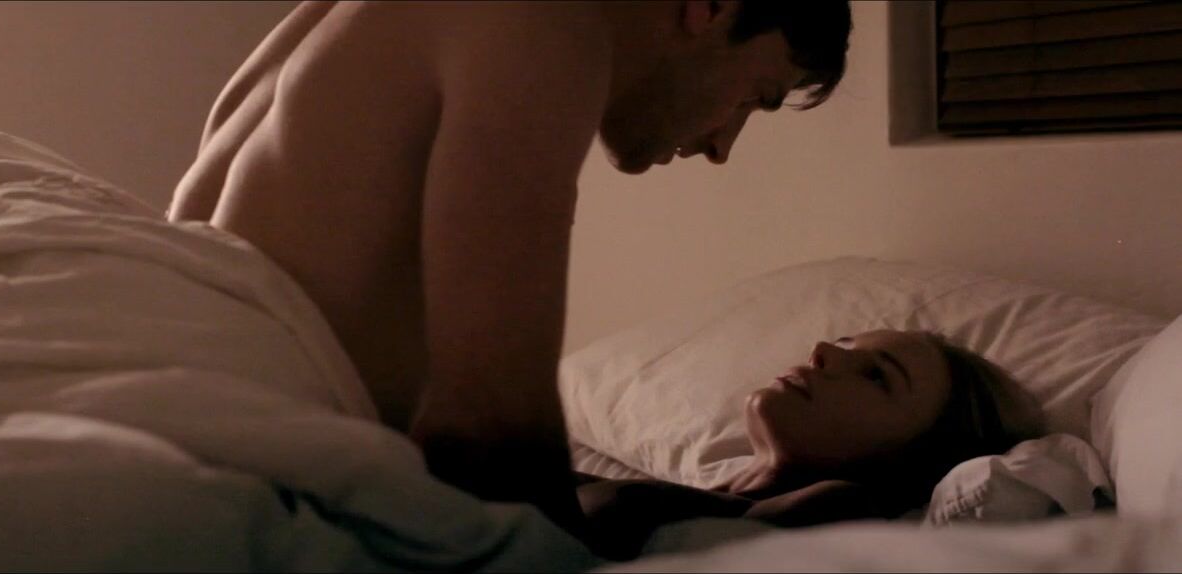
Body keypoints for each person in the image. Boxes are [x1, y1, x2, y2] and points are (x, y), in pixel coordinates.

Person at [166, 0, 853, 537]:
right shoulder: (549, 29)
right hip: (215, 472)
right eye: (757, 96)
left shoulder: (341, 19)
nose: (723, 146)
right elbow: (489, 426)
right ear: (713, 7)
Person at [574, 329, 1045, 559]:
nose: (823, 351)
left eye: (876, 376)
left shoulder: (840, 508)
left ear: (915, 458)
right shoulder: (720, 502)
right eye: (845, 343)